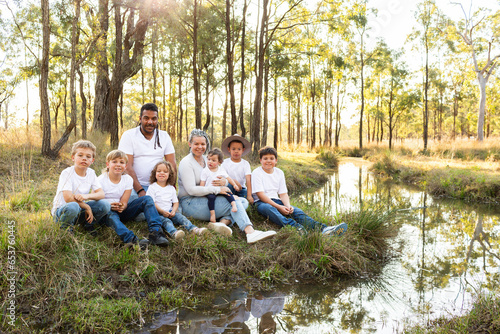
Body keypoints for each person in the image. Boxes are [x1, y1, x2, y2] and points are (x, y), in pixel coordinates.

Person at [177, 129, 277, 244]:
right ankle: (250, 232)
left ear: (206, 145)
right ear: (190, 144)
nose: (200, 147)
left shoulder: (207, 159)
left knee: (243, 201)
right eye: (196, 143)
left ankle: (222, 223)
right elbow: (191, 190)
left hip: (206, 197)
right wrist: (218, 189)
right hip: (190, 203)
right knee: (234, 201)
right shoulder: (186, 163)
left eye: (203, 144)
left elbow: (220, 175)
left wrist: (224, 182)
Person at [252, 146, 348, 236]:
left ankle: (325, 230)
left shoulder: (279, 172)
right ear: (260, 160)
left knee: (298, 212)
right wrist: (279, 207)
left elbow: (283, 194)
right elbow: (260, 195)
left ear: (276, 160)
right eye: (265, 158)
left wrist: (287, 206)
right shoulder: (257, 172)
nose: (268, 161)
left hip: (277, 200)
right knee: (269, 209)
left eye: (271, 158)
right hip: (261, 203)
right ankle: (296, 228)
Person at [97, 150, 169, 248]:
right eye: (114, 162)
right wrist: (110, 206)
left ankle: (156, 233)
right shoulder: (100, 180)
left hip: (122, 211)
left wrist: (122, 206)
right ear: (108, 164)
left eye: (121, 162)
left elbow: (124, 201)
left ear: (125, 166)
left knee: (146, 199)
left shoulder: (128, 179)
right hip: (107, 212)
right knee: (111, 215)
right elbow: (96, 202)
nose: (118, 165)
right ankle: (132, 240)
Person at [118, 102, 176, 199]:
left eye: (153, 119)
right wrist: (140, 191)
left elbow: (172, 164)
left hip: (158, 185)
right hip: (133, 186)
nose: (150, 122)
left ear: (157, 119)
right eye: (146, 118)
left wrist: (171, 186)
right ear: (140, 119)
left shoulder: (164, 136)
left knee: (169, 205)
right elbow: (127, 166)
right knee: (131, 201)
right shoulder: (129, 135)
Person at [51, 140, 110, 234]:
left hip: (78, 210)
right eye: (80, 155)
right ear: (73, 157)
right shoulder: (67, 173)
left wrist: (86, 196)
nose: (84, 159)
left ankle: (88, 225)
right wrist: (86, 206)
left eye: (88, 156)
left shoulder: (91, 173)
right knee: (73, 206)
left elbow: (101, 194)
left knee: (105, 204)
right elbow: (68, 198)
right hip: (63, 211)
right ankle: (65, 229)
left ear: (92, 160)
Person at [147, 161, 208, 238]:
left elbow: (175, 202)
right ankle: (174, 233)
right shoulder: (152, 187)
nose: (162, 173)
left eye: (165, 171)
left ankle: (193, 229)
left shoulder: (171, 188)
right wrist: (162, 212)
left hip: (170, 212)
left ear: (169, 175)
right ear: (154, 173)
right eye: (159, 171)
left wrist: (173, 211)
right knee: (167, 222)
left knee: (181, 218)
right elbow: (152, 203)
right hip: (157, 213)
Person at [200, 148, 239, 223]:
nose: (210, 162)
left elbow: (229, 178)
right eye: (209, 159)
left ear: (219, 162)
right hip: (210, 190)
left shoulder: (221, 170)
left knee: (228, 192)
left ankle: (234, 205)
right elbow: (202, 183)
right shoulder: (205, 171)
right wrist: (202, 192)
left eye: (213, 160)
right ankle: (212, 215)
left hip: (221, 189)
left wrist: (234, 185)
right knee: (211, 198)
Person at [221, 134, 254, 204]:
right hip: (229, 187)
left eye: (239, 149)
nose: (236, 151)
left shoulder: (245, 164)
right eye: (233, 149)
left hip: (241, 188)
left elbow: (248, 180)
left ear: (243, 150)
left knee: (246, 194)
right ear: (229, 149)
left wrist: (249, 195)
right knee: (228, 188)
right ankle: (232, 200)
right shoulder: (225, 163)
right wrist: (235, 182)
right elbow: (223, 177)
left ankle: (238, 200)